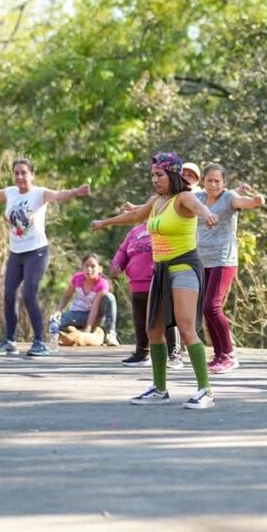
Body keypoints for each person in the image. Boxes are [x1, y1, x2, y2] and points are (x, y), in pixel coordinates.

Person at [91, 152, 219, 409]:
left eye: (159, 175)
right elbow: (135, 216)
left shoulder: (184, 197)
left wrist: (206, 214)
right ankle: (160, 390)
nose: (155, 179)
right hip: (160, 271)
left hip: (184, 267)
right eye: (153, 175)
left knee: (185, 328)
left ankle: (205, 391)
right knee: (154, 330)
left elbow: (198, 206)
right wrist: (105, 222)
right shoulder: (157, 201)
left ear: (172, 174)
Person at [0, 159, 90, 357]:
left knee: (29, 293)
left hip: (37, 252)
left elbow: (57, 195)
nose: (20, 177)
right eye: (17, 173)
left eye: (24, 173)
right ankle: (9, 341)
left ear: (32, 174)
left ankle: (39, 342)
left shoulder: (39, 193)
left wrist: (74, 192)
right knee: (9, 295)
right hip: (16, 253)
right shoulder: (10, 192)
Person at [196, 164, 265, 373]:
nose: (213, 184)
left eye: (217, 180)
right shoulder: (198, 198)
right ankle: (218, 356)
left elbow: (241, 202)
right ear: (203, 181)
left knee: (212, 307)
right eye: (209, 180)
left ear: (224, 183)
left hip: (223, 261)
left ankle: (230, 354)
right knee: (206, 310)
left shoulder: (229, 197)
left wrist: (255, 201)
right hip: (203, 260)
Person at [110, 223, 182, 367]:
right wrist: (117, 263)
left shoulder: (166, 226)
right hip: (137, 283)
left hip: (159, 281)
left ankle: (174, 354)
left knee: (166, 318)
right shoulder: (135, 231)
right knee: (140, 319)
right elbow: (123, 250)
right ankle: (142, 353)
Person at [55, 253, 119, 346]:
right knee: (55, 323)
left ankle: (110, 334)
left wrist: (88, 329)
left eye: (93, 266)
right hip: (76, 313)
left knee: (110, 297)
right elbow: (66, 296)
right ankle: (75, 332)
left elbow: (95, 308)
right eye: (86, 266)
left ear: (100, 269)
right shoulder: (77, 278)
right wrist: (59, 310)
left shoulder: (102, 284)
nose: (89, 269)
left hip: (93, 315)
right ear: (82, 268)